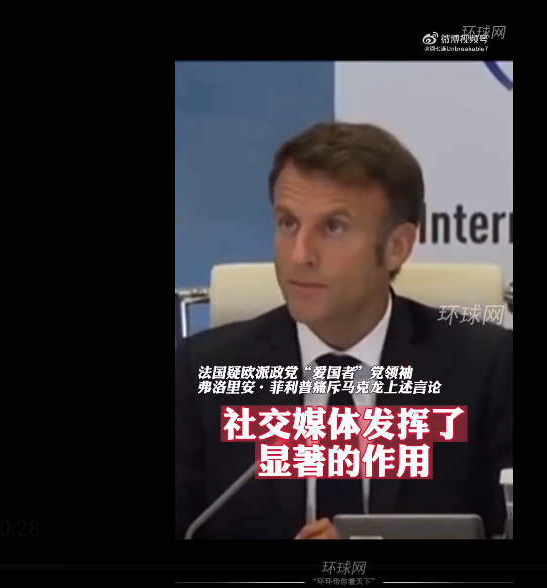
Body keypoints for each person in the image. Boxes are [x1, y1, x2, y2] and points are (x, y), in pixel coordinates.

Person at [175, 121, 513, 539]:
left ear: (397, 247)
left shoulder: (484, 369)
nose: (300, 255)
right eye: (288, 223)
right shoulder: (203, 372)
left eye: (333, 227)